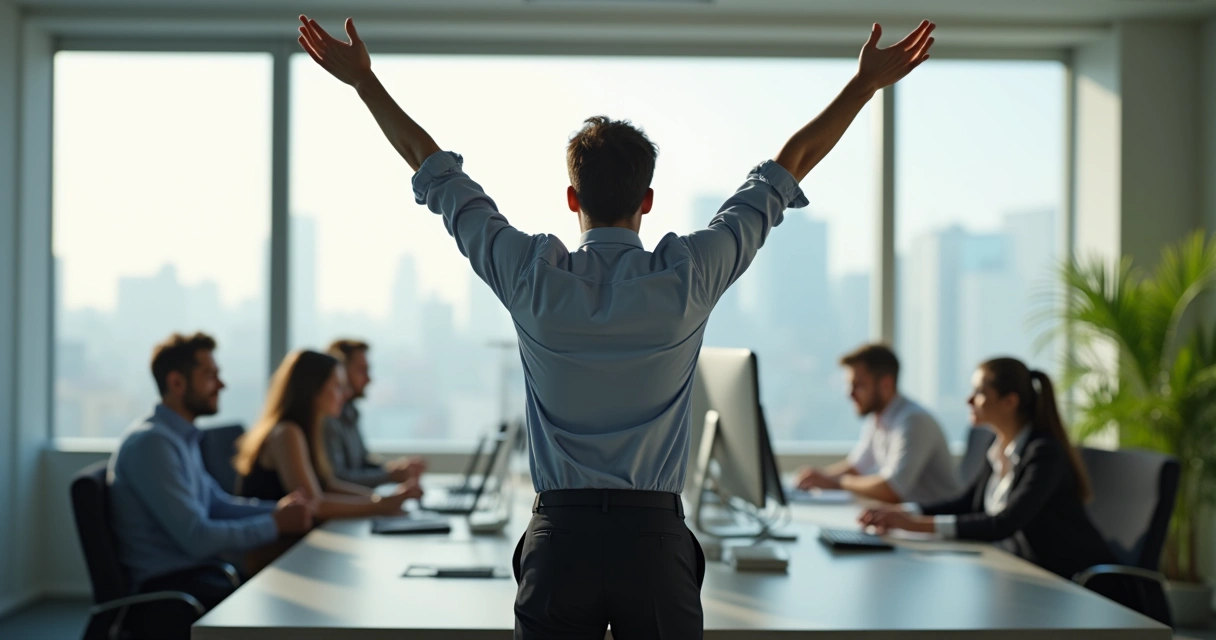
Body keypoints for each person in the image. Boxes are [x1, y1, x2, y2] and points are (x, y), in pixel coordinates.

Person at [296, 14, 933, 639]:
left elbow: (436, 172)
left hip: (560, 541)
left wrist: (364, 83)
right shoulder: (688, 275)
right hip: (652, 543)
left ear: (571, 197)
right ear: (648, 198)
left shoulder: (529, 275)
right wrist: (862, 87)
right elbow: (786, 169)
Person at [107, 333, 314, 638]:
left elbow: (217, 504)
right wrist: (275, 523)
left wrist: (280, 510)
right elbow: (197, 537)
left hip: (199, 576)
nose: (221, 385)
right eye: (210, 376)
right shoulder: (153, 444)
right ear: (177, 383)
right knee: (291, 606)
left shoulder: (178, 438)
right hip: (172, 592)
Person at [858, 358, 1117, 580]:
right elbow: (968, 501)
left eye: (980, 392)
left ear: (1009, 402)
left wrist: (916, 525)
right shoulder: (997, 445)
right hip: (1018, 571)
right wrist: (903, 512)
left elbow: (1004, 523)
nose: (969, 399)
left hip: (1068, 580)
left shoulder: (1043, 453)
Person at [232, 350, 423, 522]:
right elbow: (316, 504)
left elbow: (328, 485)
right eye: (338, 387)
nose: (346, 394)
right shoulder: (287, 433)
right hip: (276, 551)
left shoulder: (309, 431)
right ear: (314, 389)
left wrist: (384, 499)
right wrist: (382, 504)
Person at [794, 344, 959, 504]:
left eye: (858, 385)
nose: (849, 393)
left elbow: (892, 489)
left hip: (932, 526)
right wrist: (817, 478)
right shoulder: (878, 419)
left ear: (886, 384)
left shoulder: (913, 421)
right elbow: (856, 468)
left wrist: (838, 482)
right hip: (905, 522)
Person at [324, 338, 426, 488]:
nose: (369, 379)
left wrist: (395, 469)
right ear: (341, 372)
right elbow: (338, 479)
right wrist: (389, 476)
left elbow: (362, 463)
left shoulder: (350, 412)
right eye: (361, 370)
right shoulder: (328, 419)